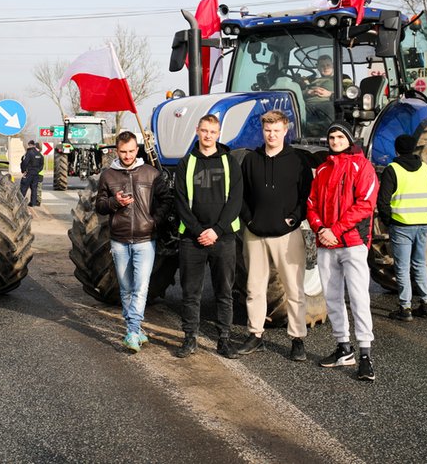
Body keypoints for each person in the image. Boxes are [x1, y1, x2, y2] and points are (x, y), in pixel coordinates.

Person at [239, 110, 314, 361]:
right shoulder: (251, 160)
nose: (272, 134)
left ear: (285, 130)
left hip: (287, 235)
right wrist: (249, 219)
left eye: (276, 130)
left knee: (294, 289)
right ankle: (255, 334)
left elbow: (306, 196)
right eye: (267, 130)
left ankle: (297, 338)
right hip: (255, 234)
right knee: (254, 288)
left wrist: (293, 218)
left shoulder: (299, 161)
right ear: (263, 131)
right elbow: (242, 195)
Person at [306, 122, 379, 381]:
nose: (335, 141)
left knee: (359, 297)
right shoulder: (323, 169)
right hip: (327, 243)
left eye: (339, 136)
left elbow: (365, 205)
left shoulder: (363, 167)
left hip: (352, 243)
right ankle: (343, 348)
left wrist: (335, 229)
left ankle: (366, 355)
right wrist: (320, 228)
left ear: (349, 139)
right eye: (331, 137)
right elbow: (311, 203)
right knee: (332, 297)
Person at [95, 131, 172, 353]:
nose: (127, 156)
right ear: (116, 151)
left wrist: (153, 221)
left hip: (145, 240)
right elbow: (99, 205)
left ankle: (132, 330)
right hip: (119, 240)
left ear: (136, 150)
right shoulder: (108, 175)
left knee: (141, 287)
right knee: (126, 288)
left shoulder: (151, 173)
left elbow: (166, 200)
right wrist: (114, 202)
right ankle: (136, 329)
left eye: (131, 151)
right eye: (123, 152)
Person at [174, 114, 243, 359]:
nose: (208, 136)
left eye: (212, 132)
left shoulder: (229, 162)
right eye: (204, 131)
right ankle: (189, 338)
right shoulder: (186, 163)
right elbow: (181, 202)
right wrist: (198, 231)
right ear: (197, 130)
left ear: (218, 133)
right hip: (192, 239)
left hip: (222, 238)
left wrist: (216, 230)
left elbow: (235, 201)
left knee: (224, 292)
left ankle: (224, 339)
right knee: (191, 292)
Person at [377, 134, 427, 321]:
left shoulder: (392, 170)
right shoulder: (426, 170)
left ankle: (405, 307)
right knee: (420, 263)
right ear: (413, 149)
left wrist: (389, 222)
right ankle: (426, 304)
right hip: (423, 224)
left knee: (402, 267)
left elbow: (383, 202)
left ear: (396, 149)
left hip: (401, 225)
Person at [19, 140, 44, 206]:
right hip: (36, 174)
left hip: (28, 173)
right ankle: (33, 203)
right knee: (34, 189)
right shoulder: (39, 154)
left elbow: (24, 162)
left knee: (23, 188)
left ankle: (20, 203)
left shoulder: (29, 153)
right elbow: (42, 164)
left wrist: (23, 171)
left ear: (29, 144)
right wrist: (37, 171)